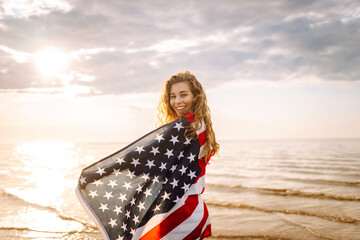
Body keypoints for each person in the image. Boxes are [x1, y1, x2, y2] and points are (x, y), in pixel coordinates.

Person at [156, 70, 220, 239]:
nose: (177, 101)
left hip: (180, 211)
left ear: (195, 96)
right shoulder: (199, 125)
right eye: (173, 96)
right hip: (187, 207)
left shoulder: (190, 128)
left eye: (183, 95)